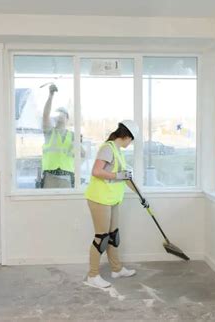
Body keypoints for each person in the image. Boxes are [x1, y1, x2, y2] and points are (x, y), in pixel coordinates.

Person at [84, 120, 149, 288]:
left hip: (112, 200)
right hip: (99, 199)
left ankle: (117, 269)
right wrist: (118, 176)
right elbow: (96, 171)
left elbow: (125, 177)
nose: (131, 143)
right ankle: (93, 276)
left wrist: (141, 196)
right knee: (101, 238)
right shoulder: (108, 148)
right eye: (132, 140)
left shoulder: (118, 151)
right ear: (127, 136)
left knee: (113, 236)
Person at [41, 83, 75, 188]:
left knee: (65, 204)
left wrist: (77, 147)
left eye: (62, 113)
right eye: (58, 113)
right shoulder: (50, 132)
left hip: (66, 177)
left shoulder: (73, 136)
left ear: (67, 118)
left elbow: (82, 154)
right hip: (50, 176)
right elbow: (45, 115)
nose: (60, 115)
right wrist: (50, 96)